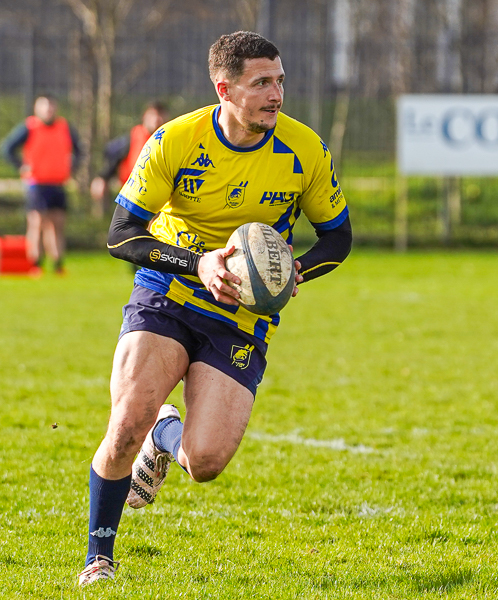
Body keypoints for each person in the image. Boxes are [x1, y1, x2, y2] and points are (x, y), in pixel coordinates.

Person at [78, 31, 352, 586]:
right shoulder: (176, 140)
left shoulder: (304, 150)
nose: (276, 94)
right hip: (170, 292)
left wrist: (295, 271)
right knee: (126, 423)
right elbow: (122, 234)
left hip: (242, 315)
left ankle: (166, 435)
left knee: (204, 462)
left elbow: (337, 238)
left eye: (279, 81)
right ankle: (98, 559)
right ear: (224, 89)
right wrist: (198, 263)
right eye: (262, 83)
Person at [1, 94, 81, 275]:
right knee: (37, 223)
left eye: (51, 106)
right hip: (37, 182)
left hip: (58, 182)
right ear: (37, 109)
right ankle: (36, 264)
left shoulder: (64, 127)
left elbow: (79, 150)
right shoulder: (29, 127)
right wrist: (21, 166)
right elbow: (7, 148)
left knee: (57, 223)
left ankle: (58, 264)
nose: (48, 110)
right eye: (44, 106)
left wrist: (72, 166)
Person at [90, 102, 168, 216]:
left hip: (160, 197)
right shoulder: (133, 138)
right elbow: (112, 153)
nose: (157, 119)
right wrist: (102, 178)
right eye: (153, 115)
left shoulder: (168, 140)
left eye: (160, 115)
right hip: (133, 195)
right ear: (145, 117)